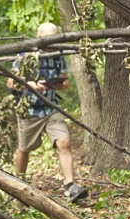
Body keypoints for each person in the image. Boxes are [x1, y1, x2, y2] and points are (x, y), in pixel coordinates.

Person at [6, 22, 88, 202]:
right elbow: (11, 82)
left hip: (51, 108)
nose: (51, 44)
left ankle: (71, 186)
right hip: (29, 110)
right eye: (48, 40)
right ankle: (17, 185)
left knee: (64, 142)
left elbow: (65, 83)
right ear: (39, 38)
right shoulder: (25, 55)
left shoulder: (57, 55)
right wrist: (31, 85)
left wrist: (57, 83)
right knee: (24, 148)